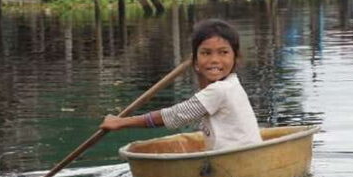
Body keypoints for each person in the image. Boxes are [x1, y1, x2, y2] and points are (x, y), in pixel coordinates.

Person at [100, 19, 262, 151]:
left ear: (236, 58)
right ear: (195, 61)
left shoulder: (220, 90)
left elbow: (175, 115)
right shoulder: (231, 83)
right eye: (206, 53)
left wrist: (122, 122)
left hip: (237, 159)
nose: (214, 60)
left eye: (223, 52)